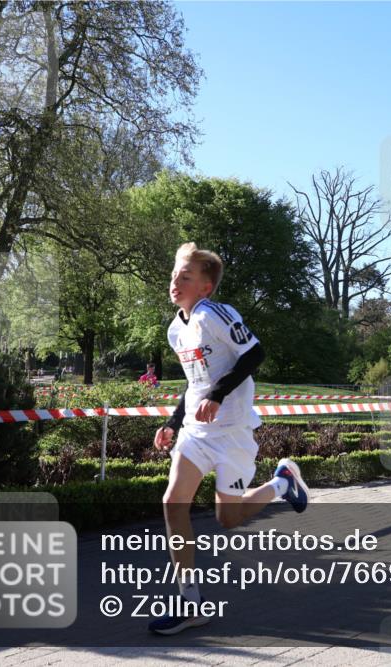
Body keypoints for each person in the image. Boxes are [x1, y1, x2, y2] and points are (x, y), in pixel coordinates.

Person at [149, 242, 309, 636]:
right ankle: (191, 603)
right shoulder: (175, 330)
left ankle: (281, 482)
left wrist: (219, 396)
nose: (175, 282)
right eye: (174, 275)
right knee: (173, 503)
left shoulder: (217, 314)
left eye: (185, 277)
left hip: (233, 432)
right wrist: (172, 422)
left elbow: (255, 354)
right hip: (197, 433)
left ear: (205, 287)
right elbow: (194, 385)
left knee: (228, 518)